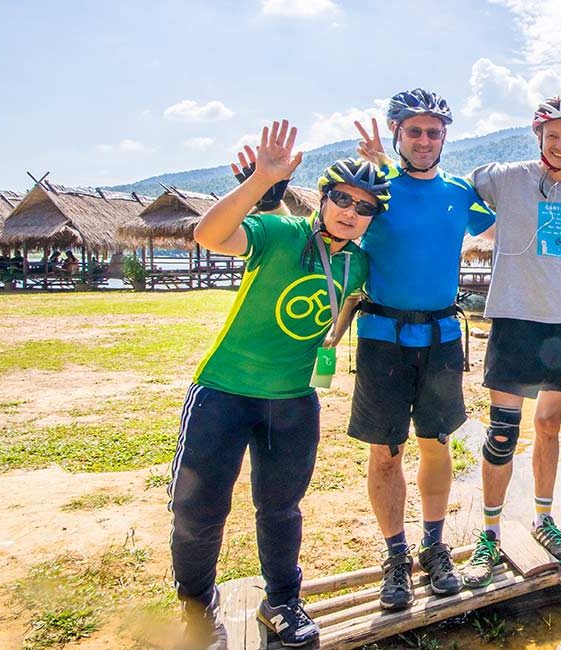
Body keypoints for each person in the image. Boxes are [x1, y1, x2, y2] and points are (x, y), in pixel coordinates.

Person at [169, 120, 383, 649]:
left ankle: (283, 600)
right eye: (341, 199)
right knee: (199, 510)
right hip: (224, 390)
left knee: (282, 507)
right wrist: (261, 181)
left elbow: (362, 297)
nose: (350, 212)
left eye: (364, 207)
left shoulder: (361, 263)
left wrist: (386, 164)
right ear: (323, 198)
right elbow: (209, 235)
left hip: (292, 401)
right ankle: (197, 607)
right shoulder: (281, 233)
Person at [342, 88, 496, 611]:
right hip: (383, 338)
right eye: (414, 131)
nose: (425, 140)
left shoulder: (460, 193)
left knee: (436, 443)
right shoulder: (376, 192)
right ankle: (394, 556)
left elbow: (511, 229)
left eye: (434, 131)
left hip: (442, 339)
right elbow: (331, 226)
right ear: (397, 136)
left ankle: (434, 546)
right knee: (386, 452)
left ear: (445, 136)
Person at [460, 96, 561, 587]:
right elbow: (456, 188)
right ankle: (490, 534)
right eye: (553, 136)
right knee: (503, 433)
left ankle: (545, 520)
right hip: (515, 317)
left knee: (549, 426)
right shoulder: (507, 176)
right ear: (538, 135)